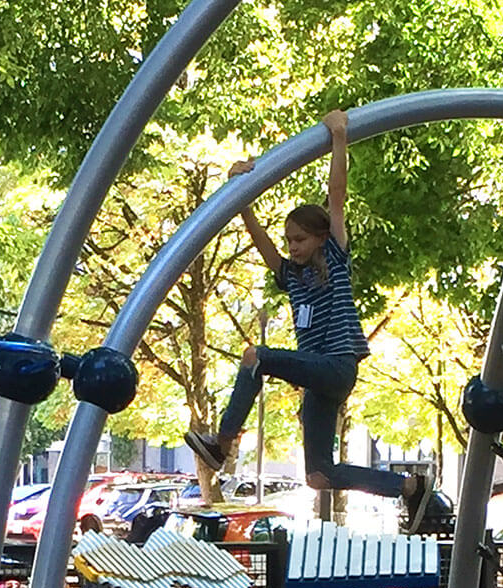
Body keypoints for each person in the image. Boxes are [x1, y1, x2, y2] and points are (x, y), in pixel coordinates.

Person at [185, 109, 433, 533]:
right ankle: (409, 487)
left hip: (336, 366)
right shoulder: (291, 278)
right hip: (317, 379)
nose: (293, 247)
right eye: (289, 241)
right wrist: (239, 196)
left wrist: (340, 138)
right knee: (318, 475)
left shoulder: (335, 257)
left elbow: (337, 195)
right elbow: (259, 239)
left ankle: (222, 443)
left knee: (255, 356)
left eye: (299, 239)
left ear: (320, 237)